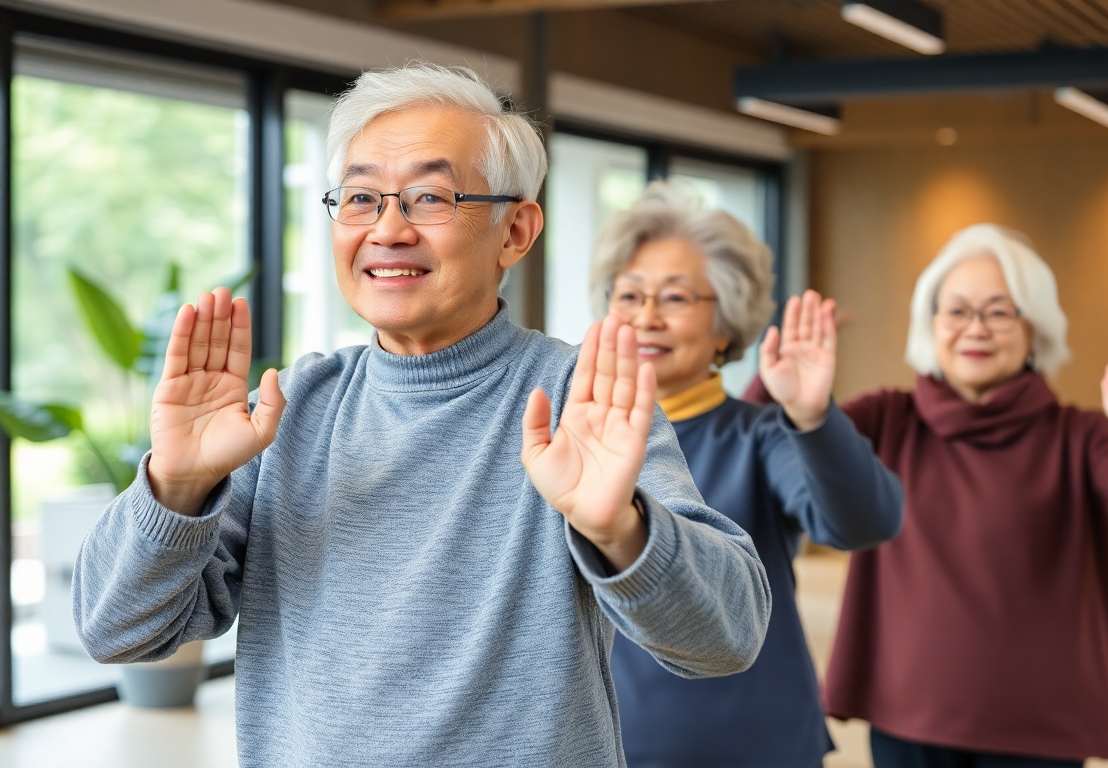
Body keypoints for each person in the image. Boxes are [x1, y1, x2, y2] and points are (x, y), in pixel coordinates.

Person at [71, 63, 771, 768]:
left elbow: (726, 638)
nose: (389, 228)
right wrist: (176, 487)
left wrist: (620, 528)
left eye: (429, 197)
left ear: (515, 231)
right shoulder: (291, 412)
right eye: (361, 197)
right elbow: (117, 631)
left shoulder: (577, 398)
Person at [749, 223, 1108, 766]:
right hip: (905, 712)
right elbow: (753, 459)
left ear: (1035, 330)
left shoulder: (1082, 437)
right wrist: (783, 393)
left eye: (999, 312)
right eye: (956, 311)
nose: (975, 329)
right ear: (931, 326)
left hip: (1034, 728)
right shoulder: (887, 418)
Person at [591, 183, 904, 768]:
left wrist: (811, 416)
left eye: (676, 298)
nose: (647, 317)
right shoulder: (572, 437)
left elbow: (864, 522)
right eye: (629, 295)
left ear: (725, 325)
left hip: (750, 742)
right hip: (602, 744)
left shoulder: (761, 435)